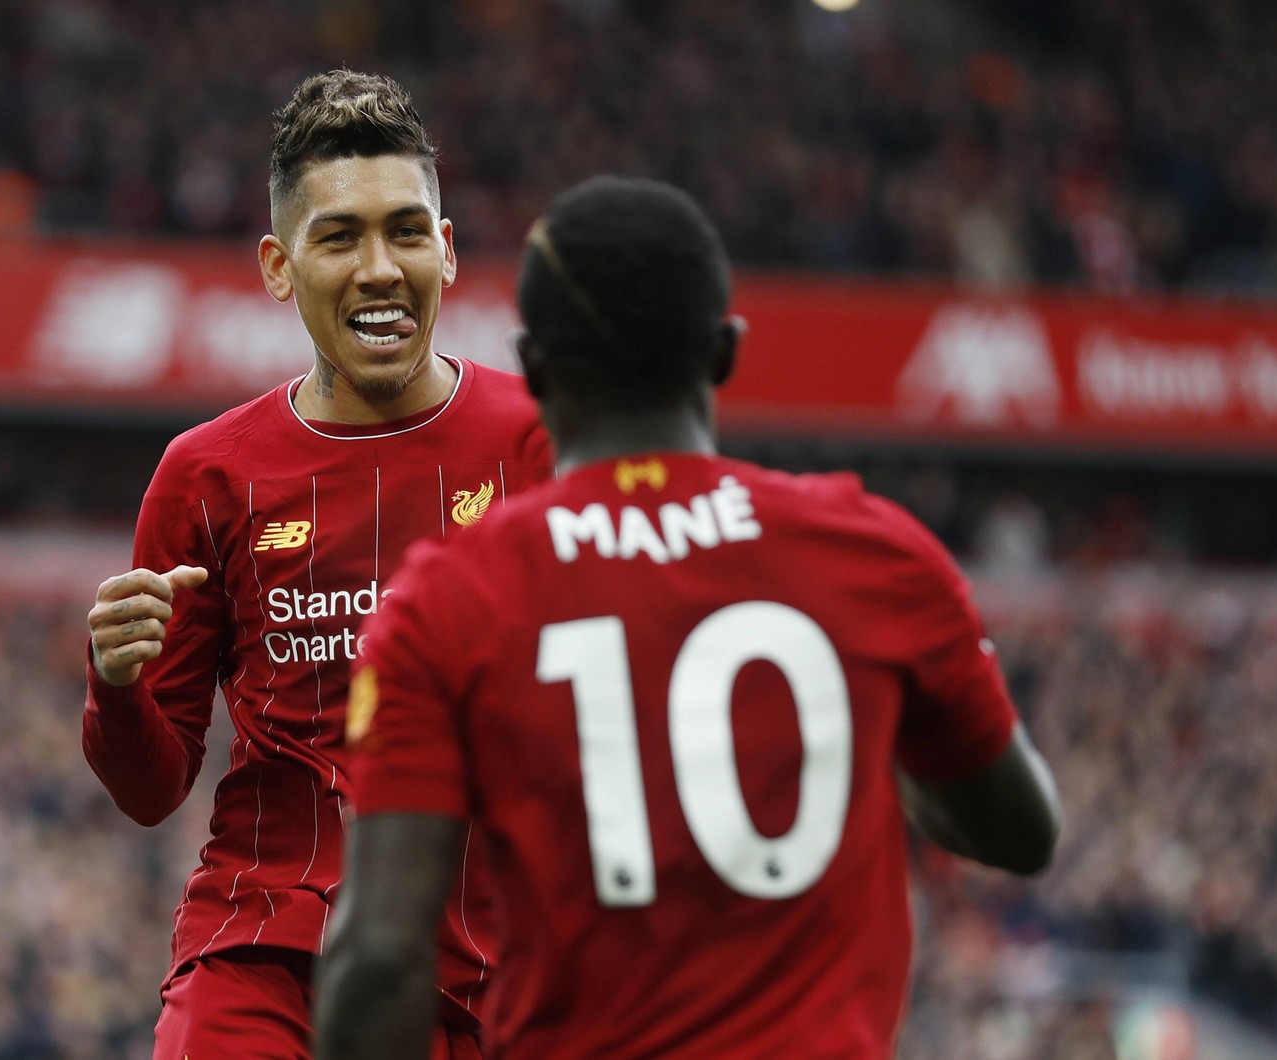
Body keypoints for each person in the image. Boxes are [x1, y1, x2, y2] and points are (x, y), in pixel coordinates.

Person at [315, 176, 1061, 1059]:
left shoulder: (445, 600)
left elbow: (379, 962)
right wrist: (875, 733)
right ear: (724, 351)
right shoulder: (877, 558)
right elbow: (1020, 830)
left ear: (537, 366)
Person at [82, 70, 552, 1059]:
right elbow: (150, 787)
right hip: (266, 959)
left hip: (494, 984)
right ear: (278, 265)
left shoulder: (541, 444)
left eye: (405, 230)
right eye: (339, 237)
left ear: (449, 250)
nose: (380, 267)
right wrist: (118, 689)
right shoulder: (206, 476)